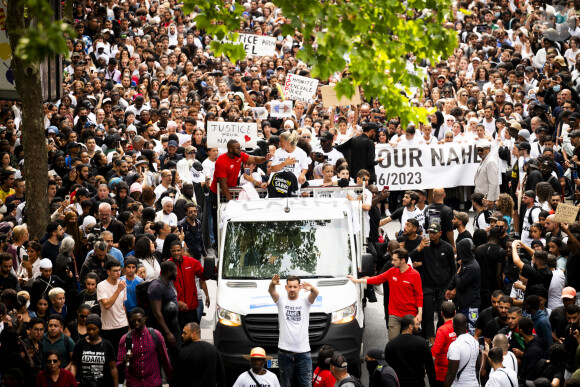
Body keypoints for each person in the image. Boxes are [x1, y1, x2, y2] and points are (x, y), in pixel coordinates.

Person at [348, 248, 423, 340]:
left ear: (403, 260)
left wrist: (420, 313)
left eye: (395, 260)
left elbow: (419, 295)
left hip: (410, 314)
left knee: (410, 342)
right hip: (394, 313)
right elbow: (377, 279)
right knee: (392, 341)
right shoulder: (392, 271)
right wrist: (357, 280)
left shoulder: (415, 275)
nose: (392, 262)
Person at [209, 139, 272, 243]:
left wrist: (265, 158)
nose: (240, 149)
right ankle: (217, 244)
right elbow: (223, 185)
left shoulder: (240, 155)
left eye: (240, 147)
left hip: (232, 191)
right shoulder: (221, 161)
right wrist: (231, 202)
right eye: (237, 148)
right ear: (230, 149)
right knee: (218, 218)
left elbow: (255, 159)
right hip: (217, 193)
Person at [268, 274, 319, 387]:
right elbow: (271, 291)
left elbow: (315, 293)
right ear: (286, 287)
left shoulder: (305, 300)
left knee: (306, 384)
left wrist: (312, 288)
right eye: (290, 286)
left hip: (303, 353)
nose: (292, 289)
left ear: (299, 287)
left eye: (295, 287)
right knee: (285, 384)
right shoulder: (281, 300)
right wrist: (272, 284)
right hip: (284, 353)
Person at [410, 222, 455, 343]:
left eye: (434, 232)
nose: (431, 234)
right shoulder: (424, 246)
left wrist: (450, 287)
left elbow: (453, 269)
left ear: (440, 233)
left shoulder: (447, 247)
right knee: (427, 315)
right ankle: (431, 339)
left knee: (442, 314)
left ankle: (440, 335)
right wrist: (419, 248)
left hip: (443, 286)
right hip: (427, 286)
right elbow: (410, 259)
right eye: (429, 232)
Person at [117, 308, 172, 387]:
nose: (136, 323)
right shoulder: (125, 339)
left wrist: (170, 379)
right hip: (134, 383)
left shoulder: (156, 335)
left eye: (139, 320)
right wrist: (124, 361)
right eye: (133, 321)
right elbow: (118, 364)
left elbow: (165, 360)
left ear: (144, 319)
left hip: (153, 382)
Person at [384, 314, 436, 387]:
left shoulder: (391, 345)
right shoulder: (422, 343)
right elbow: (430, 368)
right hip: (417, 383)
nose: (419, 327)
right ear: (410, 326)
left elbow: (387, 368)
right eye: (417, 324)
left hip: (399, 383)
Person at [69, 314, 118, 386]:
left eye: (94, 329)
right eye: (89, 329)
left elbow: (113, 368)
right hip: (84, 383)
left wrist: (116, 385)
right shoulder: (80, 344)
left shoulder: (107, 345)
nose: (91, 332)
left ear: (99, 328)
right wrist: (72, 379)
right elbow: (74, 364)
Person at [169, 241, 209, 327]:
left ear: (182, 250)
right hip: (175, 309)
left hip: (191, 307)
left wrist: (213, 269)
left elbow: (203, 275)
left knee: (192, 335)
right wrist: (176, 302)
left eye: (178, 250)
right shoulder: (167, 266)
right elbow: (164, 288)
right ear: (170, 251)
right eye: (174, 251)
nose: (176, 253)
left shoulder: (192, 262)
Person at [445, 238, 481, 335]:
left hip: (471, 307)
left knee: (471, 332)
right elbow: (456, 278)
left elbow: (460, 283)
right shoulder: (465, 263)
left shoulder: (472, 266)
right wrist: (449, 288)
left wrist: (457, 273)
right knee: (461, 332)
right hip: (463, 305)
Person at [148, 260, 182, 359]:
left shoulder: (169, 282)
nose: (177, 273)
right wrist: (168, 333)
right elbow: (156, 312)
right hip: (164, 328)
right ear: (168, 272)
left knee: (177, 354)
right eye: (175, 271)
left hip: (173, 324)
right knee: (161, 356)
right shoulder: (156, 287)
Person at [174, 322, 225, 387]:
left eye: (185, 333)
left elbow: (176, 379)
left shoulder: (184, 353)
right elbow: (221, 376)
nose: (182, 335)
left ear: (193, 334)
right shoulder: (213, 350)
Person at [97, 258, 128, 354]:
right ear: (108, 272)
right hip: (108, 327)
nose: (118, 273)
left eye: (119, 270)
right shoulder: (101, 286)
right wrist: (118, 290)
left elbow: (122, 305)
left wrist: (128, 323)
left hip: (123, 325)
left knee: (124, 355)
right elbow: (106, 305)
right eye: (115, 270)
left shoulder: (122, 284)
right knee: (111, 356)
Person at [443, 314, 480, 387]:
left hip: (460, 384)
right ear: (466, 325)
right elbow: (477, 365)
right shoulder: (475, 342)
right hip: (475, 383)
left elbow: (452, 373)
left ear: (453, 327)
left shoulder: (455, 345)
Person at [431, 301, 457, 387]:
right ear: (455, 313)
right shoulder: (461, 327)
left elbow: (435, 352)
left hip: (442, 375)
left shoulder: (442, 330)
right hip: (457, 373)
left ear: (441, 314)